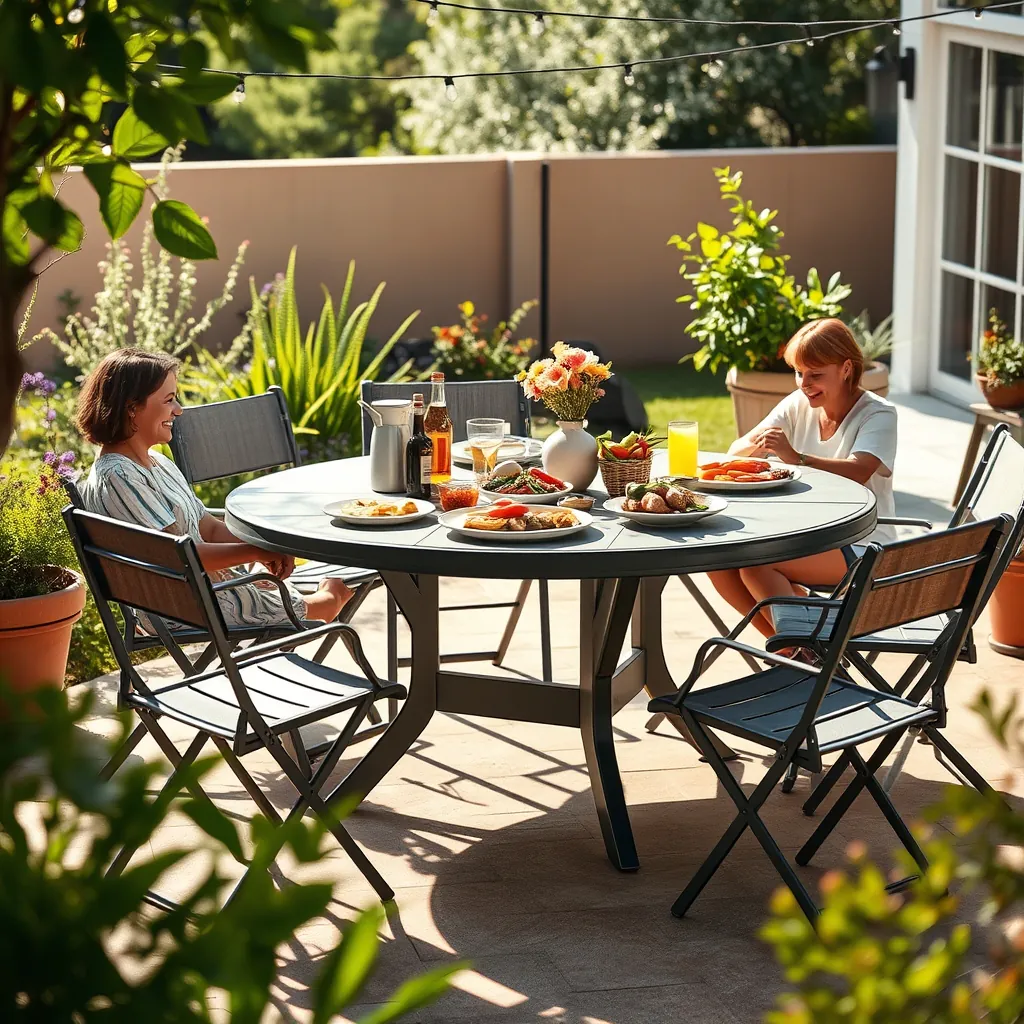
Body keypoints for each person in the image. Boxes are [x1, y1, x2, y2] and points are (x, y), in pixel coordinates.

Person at [75, 348, 352, 629]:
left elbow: (207, 527)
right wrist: (256, 553)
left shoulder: (155, 461)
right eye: (169, 400)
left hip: (203, 587)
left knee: (281, 587)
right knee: (325, 602)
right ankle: (329, 597)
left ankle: (310, 596)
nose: (179, 409)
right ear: (132, 408)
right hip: (183, 606)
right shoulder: (119, 477)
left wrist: (265, 547)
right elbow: (179, 558)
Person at [707, 318, 897, 640]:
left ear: (846, 369)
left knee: (757, 565)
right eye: (799, 373)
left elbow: (859, 470)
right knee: (719, 561)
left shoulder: (878, 414)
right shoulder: (800, 403)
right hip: (809, 536)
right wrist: (759, 441)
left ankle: (800, 652)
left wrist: (796, 458)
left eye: (815, 375)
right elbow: (736, 452)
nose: (803, 384)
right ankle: (796, 650)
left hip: (863, 546)